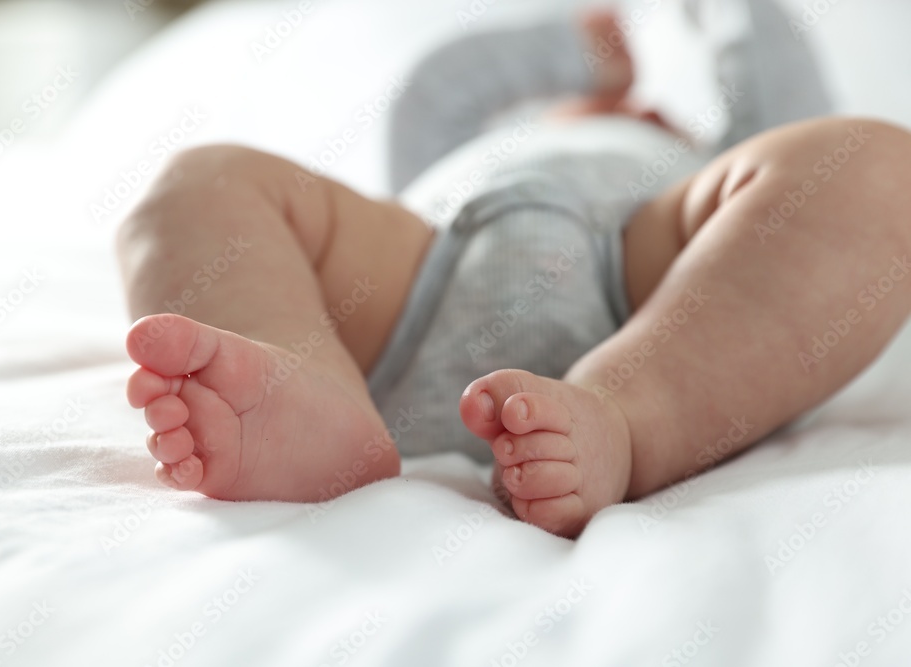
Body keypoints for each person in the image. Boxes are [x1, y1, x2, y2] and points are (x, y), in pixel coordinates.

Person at [116, 0, 911, 538]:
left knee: (872, 167)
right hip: (423, 276)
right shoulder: (467, 150)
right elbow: (436, 91)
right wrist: (588, 52)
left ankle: (626, 417)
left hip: (654, 290)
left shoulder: (705, 161)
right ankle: (305, 388)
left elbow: (790, 107)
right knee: (196, 179)